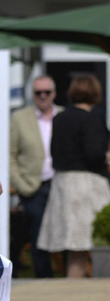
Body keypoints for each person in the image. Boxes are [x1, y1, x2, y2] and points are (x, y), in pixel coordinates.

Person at [36, 74, 110, 279]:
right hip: (86, 185)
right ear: (95, 93)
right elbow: (93, 154)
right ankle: (82, 290)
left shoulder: (59, 118)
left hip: (62, 183)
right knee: (89, 244)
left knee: (75, 248)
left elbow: (54, 152)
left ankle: (73, 288)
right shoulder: (91, 119)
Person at [8, 75, 60, 278]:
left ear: (54, 93)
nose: (43, 96)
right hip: (33, 186)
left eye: (47, 92)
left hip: (59, 184)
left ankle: (66, 279)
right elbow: (10, 155)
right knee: (38, 235)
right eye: (38, 92)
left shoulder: (63, 115)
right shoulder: (20, 118)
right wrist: (20, 184)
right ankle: (43, 280)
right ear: (33, 94)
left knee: (62, 232)